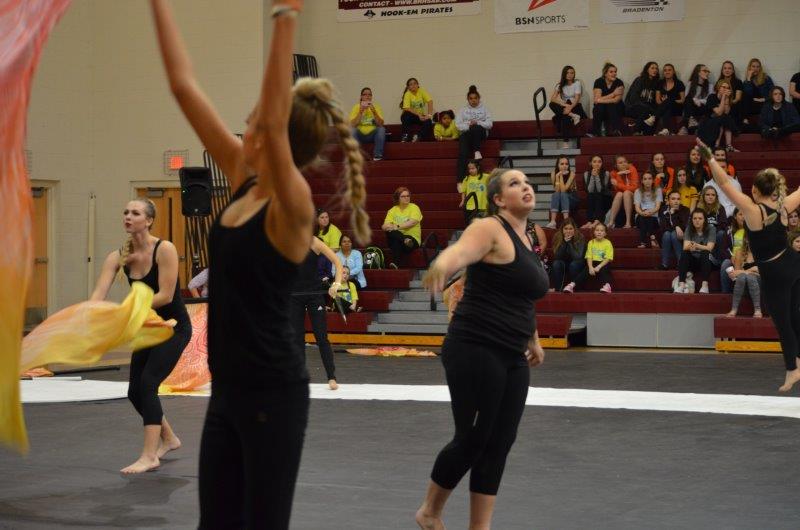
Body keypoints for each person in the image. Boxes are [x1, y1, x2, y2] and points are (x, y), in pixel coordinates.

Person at [150, 0, 370, 526]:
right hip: (227, 392)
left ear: (275, 138)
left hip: (273, 394)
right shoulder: (243, 179)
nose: (242, 127)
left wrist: (286, 16)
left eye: (251, 122)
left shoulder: (292, 201)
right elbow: (183, 87)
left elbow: (272, 115)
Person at [417, 168, 547, 530]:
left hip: (512, 353)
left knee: (500, 442)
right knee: (473, 439)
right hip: (475, 346)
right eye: (514, 183)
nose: (525, 187)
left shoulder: (527, 238)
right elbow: (459, 252)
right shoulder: (489, 227)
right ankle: (429, 512)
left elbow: (521, 293)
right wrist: (441, 266)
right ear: (498, 199)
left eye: (526, 182)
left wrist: (533, 338)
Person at [90, 197, 191, 474]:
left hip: (174, 327)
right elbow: (98, 294)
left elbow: (165, 296)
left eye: (135, 213)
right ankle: (169, 439)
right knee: (135, 391)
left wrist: (126, 311)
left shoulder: (164, 249)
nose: (128, 216)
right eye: (125, 212)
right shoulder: (117, 257)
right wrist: (87, 314)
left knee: (148, 384)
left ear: (148, 220)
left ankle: (149, 456)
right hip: (148, 328)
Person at [702, 143, 800, 391]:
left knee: (783, 323)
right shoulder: (784, 205)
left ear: (755, 190)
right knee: (795, 315)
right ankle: (798, 360)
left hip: (775, 272)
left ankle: (793, 368)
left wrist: (711, 159)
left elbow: (724, 184)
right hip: (794, 263)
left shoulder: (753, 210)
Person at [291, 237, 343, 391]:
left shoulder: (314, 242)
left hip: (314, 294)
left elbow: (337, 262)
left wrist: (336, 284)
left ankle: (331, 377)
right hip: (294, 295)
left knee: (321, 337)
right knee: (297, 338)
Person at [563, 222, 613, 293]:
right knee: (585, 271)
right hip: (593, 262)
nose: (599, 232)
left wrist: (599, 266)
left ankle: (607, 285)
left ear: (605, 233)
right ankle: (572, 285)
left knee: (605, 269)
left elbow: (608, 258)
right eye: (597, 230)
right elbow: (589, 256)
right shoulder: (591, 242)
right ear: (594, 232)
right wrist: (590, 267)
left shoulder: (607, 243)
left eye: (602, 231)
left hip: (603, 263)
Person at [456, 84, 493, 180]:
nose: (473, 100)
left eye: (475, 98)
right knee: (463, 154)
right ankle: (460, 181)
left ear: (479, 98)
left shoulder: (485, 109)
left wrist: (478, 122)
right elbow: (458, 125)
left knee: (475, 127)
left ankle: (477, 151)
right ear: (468, 99)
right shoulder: (463, 110)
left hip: (480, 133)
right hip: (467, 134)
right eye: (471, 98)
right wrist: (469, 126)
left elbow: (489, 124)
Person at [676, 209, 715, 294]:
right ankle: (681, 285)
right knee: (685, 253)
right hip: (693, 260)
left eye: (700, 218)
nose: (697, 221)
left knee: (705, 253)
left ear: (704, 220)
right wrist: (692, 247)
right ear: (692, 220)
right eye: (695, 218)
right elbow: (685, 247)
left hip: (707, 261)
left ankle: (705, 286)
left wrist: (697, 246)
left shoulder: (711, 228)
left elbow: (710, 248)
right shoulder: (689, 228)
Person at [383, 186, 423, 268]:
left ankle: (395, 263)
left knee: (395, 239)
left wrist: (396, 227)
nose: (406, 198)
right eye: (403, 196)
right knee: (390, 232)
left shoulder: (414, 207)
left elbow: (412, 222)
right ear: (397, 198)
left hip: (412, 240)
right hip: (402, 239)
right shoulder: (392, 210)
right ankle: (404, 239)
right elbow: (384, 226)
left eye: (408, 196)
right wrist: (389, 227)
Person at [726, 233, 761, 318]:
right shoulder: (740, 253)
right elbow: (736, 274)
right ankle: (734, 309)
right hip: (743, 285)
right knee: (742, 277)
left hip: (759, 285)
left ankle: (757, 309)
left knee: (750, 277)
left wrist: (744, 272)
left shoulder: (764, 253)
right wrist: (751, 270)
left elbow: (764, 274)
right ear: (746, 240)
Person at [698, 80, 739, 152]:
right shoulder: (712, 97)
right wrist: (723, 98)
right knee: (722, 119)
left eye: (728, 88)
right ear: (718, 88)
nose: (726, 89)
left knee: (725, 118)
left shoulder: (728, 98)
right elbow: (719, 112)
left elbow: (726, 112)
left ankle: (728, 146)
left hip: (720, 120)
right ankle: (716, 145)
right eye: (724, 87)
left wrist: (726, 99)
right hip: (708, 122)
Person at [549, 65, 587, 140]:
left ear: (574, 74)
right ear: (564, 74)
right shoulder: (560, 85)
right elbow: (552, 98)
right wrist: (564, 105)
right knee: (551, 104)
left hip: (575, 106)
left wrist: (569, 107)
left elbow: (577, 99)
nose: (570, 75)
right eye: (567, 73)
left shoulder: (577, 83)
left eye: (572, 73)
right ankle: (572, 115)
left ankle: (565, 141)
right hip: (566, 106)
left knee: (564, 117)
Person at [349, 86, 386, 161]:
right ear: (361, 97)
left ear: (371, 97)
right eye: (365, 94)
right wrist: (360, 112)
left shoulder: (376, 107)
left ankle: (377, 155)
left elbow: (380, 124)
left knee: (381, 129)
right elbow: (352, 125)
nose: (367, 96)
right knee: (352, 130)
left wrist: (374, 112)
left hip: (372, 135)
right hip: (360, 135)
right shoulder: (356, 107)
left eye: (369, 95)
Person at [625, 61, 660, 135]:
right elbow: (633, 98)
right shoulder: (639, 80)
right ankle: (637, 130)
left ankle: (643, 133)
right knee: (648, 112)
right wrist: (649, 108)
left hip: (647, 110)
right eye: (652, 68)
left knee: (653, 115)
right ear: (647, 70)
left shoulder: (657, 83)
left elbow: (654, 102)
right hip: (632, 107)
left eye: (656, 68)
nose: (655, 70)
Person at [550, 219, 586, 291]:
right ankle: (558, 289)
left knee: (573, 265)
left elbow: (577, 257)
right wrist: (564, 243)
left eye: (570, 229)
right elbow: (557, 256)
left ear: (574, 229)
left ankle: (573, 288)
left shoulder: (580, 237)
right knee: (556, 263)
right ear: (562, 229)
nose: (568, 231)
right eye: (566, 229)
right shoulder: (557, 236)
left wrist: (569, 243)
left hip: (578, 263)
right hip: (564, 262)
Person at [590, 62, 624, 137]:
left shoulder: (619, 82)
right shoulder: (599, 81)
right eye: (611, 72)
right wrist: (613, 94)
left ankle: (616, 131)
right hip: (602, 109)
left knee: (610, 106)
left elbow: (616, 100)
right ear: (605, 74)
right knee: (599, 107)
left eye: (615, 72)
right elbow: (596, 100)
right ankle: (595, 133)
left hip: (616, 107)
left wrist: (600, 100)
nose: (614, 74)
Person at [659, 190, 689, 269]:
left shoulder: (685, 210)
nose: (676, 201)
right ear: (668, 200)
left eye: (678, 199)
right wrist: (676, 227)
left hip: (681, 236)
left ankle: (681, 263)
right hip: (666, 237)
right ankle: (664, 264)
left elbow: (684, 226)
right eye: (673, 199)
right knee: (667, 234)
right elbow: (663, 227)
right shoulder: (663, 209)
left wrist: (673, 215)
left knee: (673, 234)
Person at [678, 64, 711, 135]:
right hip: (691, 108)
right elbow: (686, 100)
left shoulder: (710, 86)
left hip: (702, 108)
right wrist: (694, 100)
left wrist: (698, 100)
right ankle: (690, 121)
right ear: (698, 72)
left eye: (708, 71)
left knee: (691, 100)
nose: (707, 73)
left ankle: (684, 127)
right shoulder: (690, 84)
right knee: (688, 98)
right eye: (704, 71)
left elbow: (709, 100)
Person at [720, 208, 747, 294]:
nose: (743, 217)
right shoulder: (729, 230)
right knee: (725, 264)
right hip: (733, 258)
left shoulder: (752, 230)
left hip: (748, 259)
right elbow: (724, 249)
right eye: (740, 214)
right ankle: (725, 294)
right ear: (735, 216)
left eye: (745, 214)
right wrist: (731, 257)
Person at [608, 155, 639, 228]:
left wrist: (618, 184)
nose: (623, 164)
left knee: (626, 193)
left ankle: (628, 222)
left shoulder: (632, 169)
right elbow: (617, 190)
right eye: (620, 163)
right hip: (620, 198)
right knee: (619, 194)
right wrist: (619, 175)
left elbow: (634, 188)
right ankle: (611, 222)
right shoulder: (613, 173)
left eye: (625, 162)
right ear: (616, 165)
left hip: (634, 196)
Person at [582, 154, 612, 229]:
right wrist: (592, 176)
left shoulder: (606, 173)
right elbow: (589, 190)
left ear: (602, 163)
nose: (597, 164)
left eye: (599, 162)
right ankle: (589, 221)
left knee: (598, 194)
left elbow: (600, 190)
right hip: (593, 198)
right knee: (590, 195)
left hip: (605, 199)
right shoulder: (586, 174)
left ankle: (597, 220)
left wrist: (596, 176)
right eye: (594, 162)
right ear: (590, 163)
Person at [655, 63, 685, 135]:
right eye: (665, 70)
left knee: (669, 101)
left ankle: (654, 117)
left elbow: (682, 100)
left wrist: (670, 101)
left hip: (676, 108)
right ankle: (666, 129)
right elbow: (657, 100)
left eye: (669, 70)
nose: (667, 72)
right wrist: (665, 103)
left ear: (673, 72)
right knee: (667, 106)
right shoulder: (660, 83)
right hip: (663, 108)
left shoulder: (679, 83)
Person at [547, 156, 577, 228]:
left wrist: (560, 176)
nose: (564, 166)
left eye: (566, 164)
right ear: (557, 165)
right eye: (562, 164)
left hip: (572, 199)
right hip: (560, 199)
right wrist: (557, 177)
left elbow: (564, 190)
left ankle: (566, 221)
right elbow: (557, 190)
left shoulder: (572, 174)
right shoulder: (553, 173)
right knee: (555, 194)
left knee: (563, 194)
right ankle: (553, 221)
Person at [400, 77, 434, 142]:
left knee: (428, 121)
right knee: (406, 115)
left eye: (415, 83)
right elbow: (406, 108)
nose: (413, 85)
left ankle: (418, 136)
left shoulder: (422, 91)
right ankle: (405, 135)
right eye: (411, 84)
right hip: (410, 116)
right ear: (408, 87)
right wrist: (418, 115)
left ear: (418, 85)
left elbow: (430, 101)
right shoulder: (407, 94)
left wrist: (429, 115)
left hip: (420, 116)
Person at [634, 172, 663, 248]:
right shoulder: (638, 191)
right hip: (641, 216)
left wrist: (650, 212)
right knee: (643, 218)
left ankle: (643, 242)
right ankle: (652, 237)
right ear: (642, 181)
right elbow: (637, 208)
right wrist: (642, 213)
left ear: (653, 180)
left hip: (654, 217)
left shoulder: (658, 190)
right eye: (645, 179)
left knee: (649, 218)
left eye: (650, 179)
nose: (647, 181)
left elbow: (657, 207)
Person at [718, 61, 744, 128]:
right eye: (725, 68)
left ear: (733, 71)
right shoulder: (719, 81)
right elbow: (717, 97)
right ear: (722, 70)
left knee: (738, 104)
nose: (727, 70)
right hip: (721, 104)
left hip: (733, 104)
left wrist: (728, 104)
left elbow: (737, 98)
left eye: (729, 68)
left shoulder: (738, 82)